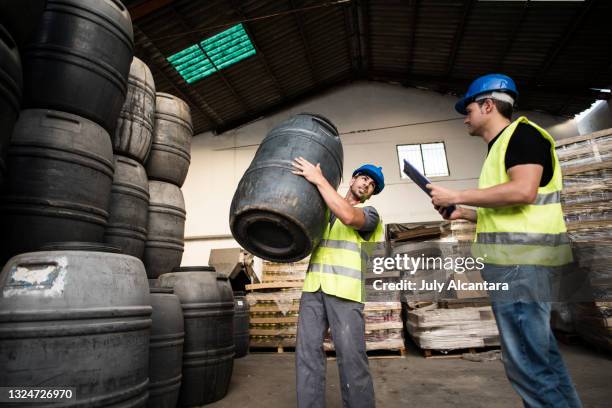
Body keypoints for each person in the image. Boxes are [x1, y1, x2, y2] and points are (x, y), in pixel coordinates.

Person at [427, 73, 582, 408]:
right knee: (542, 360)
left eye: (467, 108)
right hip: (516, 267)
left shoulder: (521, 135)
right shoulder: (501, 148)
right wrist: (463, 212)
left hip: (521, 266)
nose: (464, 116)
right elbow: (508, 210)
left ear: (487, 104)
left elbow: (524, 191)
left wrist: (457, 192)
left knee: (525, 363)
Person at [291, 158, 385, 408]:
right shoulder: (323, 212)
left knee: (351, 358)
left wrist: (318, 179)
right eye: (364, 178)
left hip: (346, 293)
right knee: (307, 354)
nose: (367, 184)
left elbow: (349, 217)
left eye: (373, 185)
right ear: (353, 179)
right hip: (313, 289)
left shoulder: (371, 215)